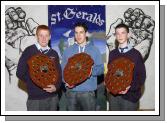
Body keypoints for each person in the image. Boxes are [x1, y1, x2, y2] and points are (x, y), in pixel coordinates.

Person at [16, 25, 62, 111]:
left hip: (53, 97)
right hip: (35, 98)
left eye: (46, 35)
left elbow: (59, 74)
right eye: (41, 35)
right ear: (36, 37)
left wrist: (56, 87)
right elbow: (20, 72)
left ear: (50, 37)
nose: (44, 38)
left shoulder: (54, 53)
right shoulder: (29, 51)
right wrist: (35, 80)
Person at [61, 22, 104, 111]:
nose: (78, 35)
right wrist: (66, 82)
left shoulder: (94, 50)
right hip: (71, 92)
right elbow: (62, 70)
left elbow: (101, 69)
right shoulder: (68, 51)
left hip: (88, 93)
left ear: (86, 33)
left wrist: (90, 71)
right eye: (76, 32)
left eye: (81, 32)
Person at [106, 23, 146, 111]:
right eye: (117, 33)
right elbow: (111, 73)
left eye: (123, 33)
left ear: (128, 35)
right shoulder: (112, 54)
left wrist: (129, 88)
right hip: (113, 97)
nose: (120, 36)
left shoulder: (136, 54)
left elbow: (142, 77)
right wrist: (108, 85)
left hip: (130, 97)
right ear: (115, 36)